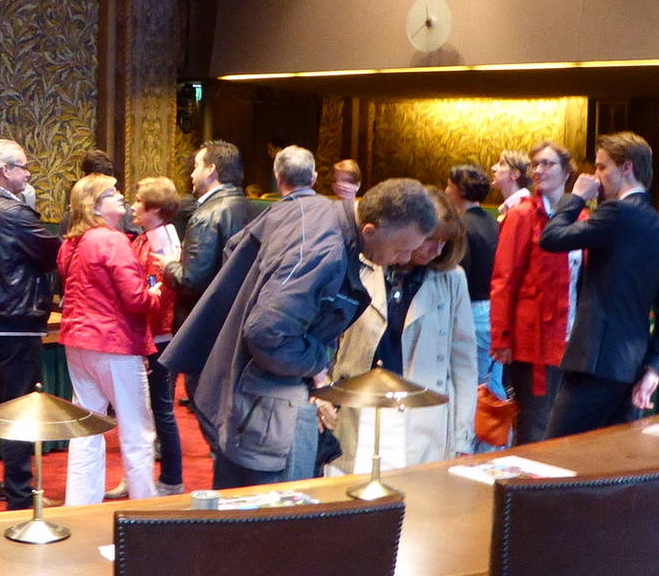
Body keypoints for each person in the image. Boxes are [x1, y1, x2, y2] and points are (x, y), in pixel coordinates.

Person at [164, 156, 437, 487]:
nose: (405, 259)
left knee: (236, 514)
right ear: (370, 230)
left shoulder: (308, 205)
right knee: (263, 523)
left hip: (239, 390)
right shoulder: (325, 253)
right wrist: (318, 362)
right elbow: (267, 333)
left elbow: (237, 248)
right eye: (401, 249)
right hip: (262, 406)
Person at [539, 131, 659, 437]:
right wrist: (654, 369)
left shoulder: (618, 211)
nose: (596, 176)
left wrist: (576, 195)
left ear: (627, 168)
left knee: (554, 452)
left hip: (594, 360)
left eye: (603, 167)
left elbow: (551, 238)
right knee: (608, 463)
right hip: (632, 368)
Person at [326, 189, 479, 469]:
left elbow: (464, 364)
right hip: (358, 407)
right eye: (431, 240)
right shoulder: (360, 266)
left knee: (415, 499)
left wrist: (461, 438)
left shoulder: (452, 279)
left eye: (445, 241)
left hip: (421, 416)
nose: (438, 250)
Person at [0, 139, 60, 507]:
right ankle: (21, 495)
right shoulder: (15, 213)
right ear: (5, 170)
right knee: (20, 408)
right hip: (16, 320)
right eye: (23, 166)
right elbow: (52, 256)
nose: (28, 172)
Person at [57, 176, 159, 506]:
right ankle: (146, 508)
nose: (121, 197)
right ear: (95, 205)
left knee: (87, 429)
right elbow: (136, 300)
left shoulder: (71, 242)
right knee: (136, 429)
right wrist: (159, 293)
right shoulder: (111, 241)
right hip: (113, 343)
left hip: (77, 341)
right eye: (112, 193)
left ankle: (80, 507)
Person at [489, 141, 575, 443]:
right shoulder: (522, 215)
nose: (539, 170)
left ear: (566, 171)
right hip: (533, 338)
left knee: (564, 422)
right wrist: (501, 337)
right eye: (535, 164)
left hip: (572, 337)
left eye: (548, 164)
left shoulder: (580, 216)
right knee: (536, 424)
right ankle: (528, 487)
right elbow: (504, 279)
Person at [129, 176, 185, 495]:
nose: (133, 206)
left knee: (161, 409)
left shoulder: (160, 243)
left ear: (156, 209)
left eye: (139, 201)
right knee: (150, 409)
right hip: (152, 334)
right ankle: (142, 473)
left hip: (158, 336)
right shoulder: (149, 236)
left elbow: (157, 291)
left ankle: (172, 479)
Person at [163, 140, 253, 313]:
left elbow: (191, 282)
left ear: (211, 169)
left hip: (206, 318)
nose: (192, 175)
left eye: (196, 166)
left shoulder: (205, 216)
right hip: (239, 313)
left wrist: (169, 266)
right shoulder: (255, 209)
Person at [447, 163, 504, 402]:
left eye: (449, 186)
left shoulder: (461, 227)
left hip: (473, 312)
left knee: (472, 389)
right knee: (493, 387)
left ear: (460, 190)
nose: (445, 191)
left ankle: (474, 439)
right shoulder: (496, 223)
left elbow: (462, 275)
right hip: (495, 311)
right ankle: (499, 439)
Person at [493, 149, 532, 218]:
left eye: (502, 164)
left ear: (515, 174)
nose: (493, 168)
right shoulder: (510, 207)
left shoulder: (523, 210)